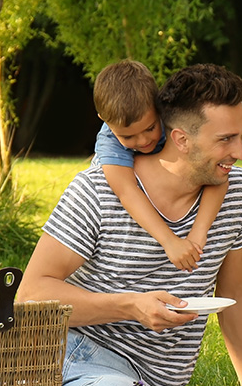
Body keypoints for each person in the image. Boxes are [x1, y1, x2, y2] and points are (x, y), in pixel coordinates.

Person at [19, 63, 242, 386]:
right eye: (226, 139)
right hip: (81, 355)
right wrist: (132, 306)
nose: (241, 152)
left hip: (157, 385)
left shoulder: (240, 193)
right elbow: (30, 296)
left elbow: (236, 293)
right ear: (181, 139)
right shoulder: (97, 191)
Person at [92, 60, 227, 271]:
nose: (142, 141)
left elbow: (217, 176)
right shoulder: (109, 142)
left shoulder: (174, 121)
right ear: (104, 121)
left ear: (159, 107)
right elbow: (126, 191)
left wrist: (199, 232)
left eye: (150, 128)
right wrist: (169, 241)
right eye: (127, 136)